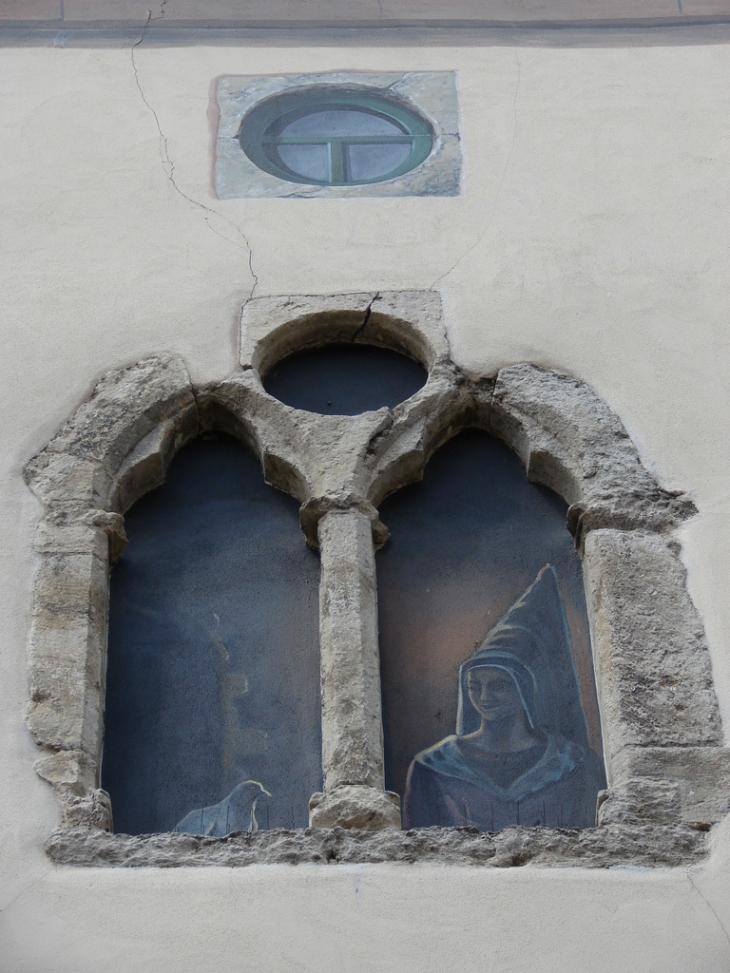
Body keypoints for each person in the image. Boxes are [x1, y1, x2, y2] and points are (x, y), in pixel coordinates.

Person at [403, 567, 605, 831]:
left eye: (499, 685)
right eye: (475, 686)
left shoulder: (574, 764)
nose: (484, 697)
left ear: (526, 689)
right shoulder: (432, 768)